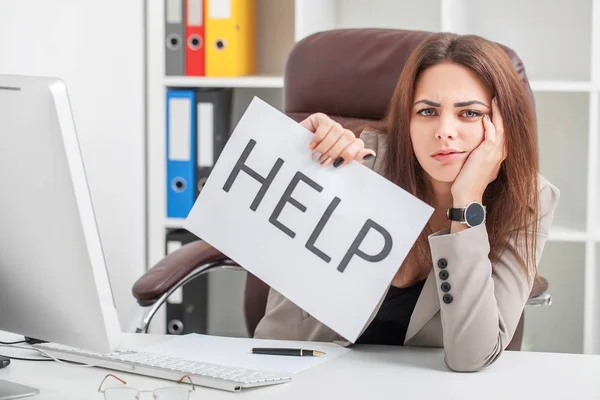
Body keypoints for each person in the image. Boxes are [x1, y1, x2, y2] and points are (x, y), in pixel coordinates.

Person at [252, 32, 560, 372]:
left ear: (504, 125)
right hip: (304, 378)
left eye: (470, 113)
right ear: (407, 120)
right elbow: (275, 329)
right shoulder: (358, 163)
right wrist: (293, 156)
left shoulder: (529, 200)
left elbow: (472, 357)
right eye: (427, 111)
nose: (444, 130)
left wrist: (467, 203)